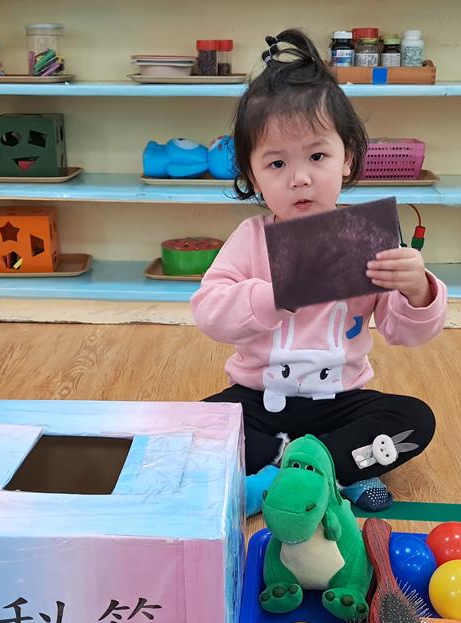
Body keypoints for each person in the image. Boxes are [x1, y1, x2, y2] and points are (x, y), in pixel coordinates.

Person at [191, 29, 447, 514]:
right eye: (276, 163)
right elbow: (210, 313)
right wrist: (273, 295)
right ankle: (335, 472)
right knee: (194, 427)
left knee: (415, 418)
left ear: (346, 157)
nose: (300, 177)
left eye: (317, 156)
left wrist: (417, 290)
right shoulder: (251, 237)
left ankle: (290, 473)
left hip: (341, 404)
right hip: (261, 400)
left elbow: (403, 331)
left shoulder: (367, 236)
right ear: (251, 174)